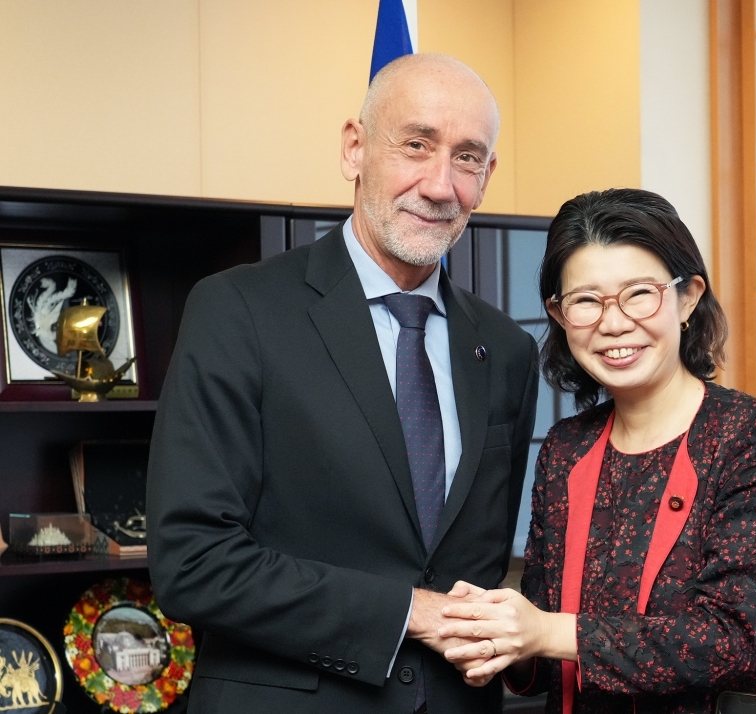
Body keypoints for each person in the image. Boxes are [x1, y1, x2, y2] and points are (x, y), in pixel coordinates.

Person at [146, 54, 539, 714]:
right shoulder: (238, 310)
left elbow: (479, 563)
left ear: (487, 176)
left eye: (467, 158)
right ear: (355, 148)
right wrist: (413, 613)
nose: (440, 184)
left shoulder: (506, 348)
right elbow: (193, 563)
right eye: (416, 145)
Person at [437, 188, 756, 713]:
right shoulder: (567, 450)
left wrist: (542, 631)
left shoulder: (753, 436)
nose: (613, 324)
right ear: (559, 314)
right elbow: (547, 652)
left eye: (639, 294)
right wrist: (499, 638)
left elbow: (732, 638)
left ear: (687, 298)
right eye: (586, 301)